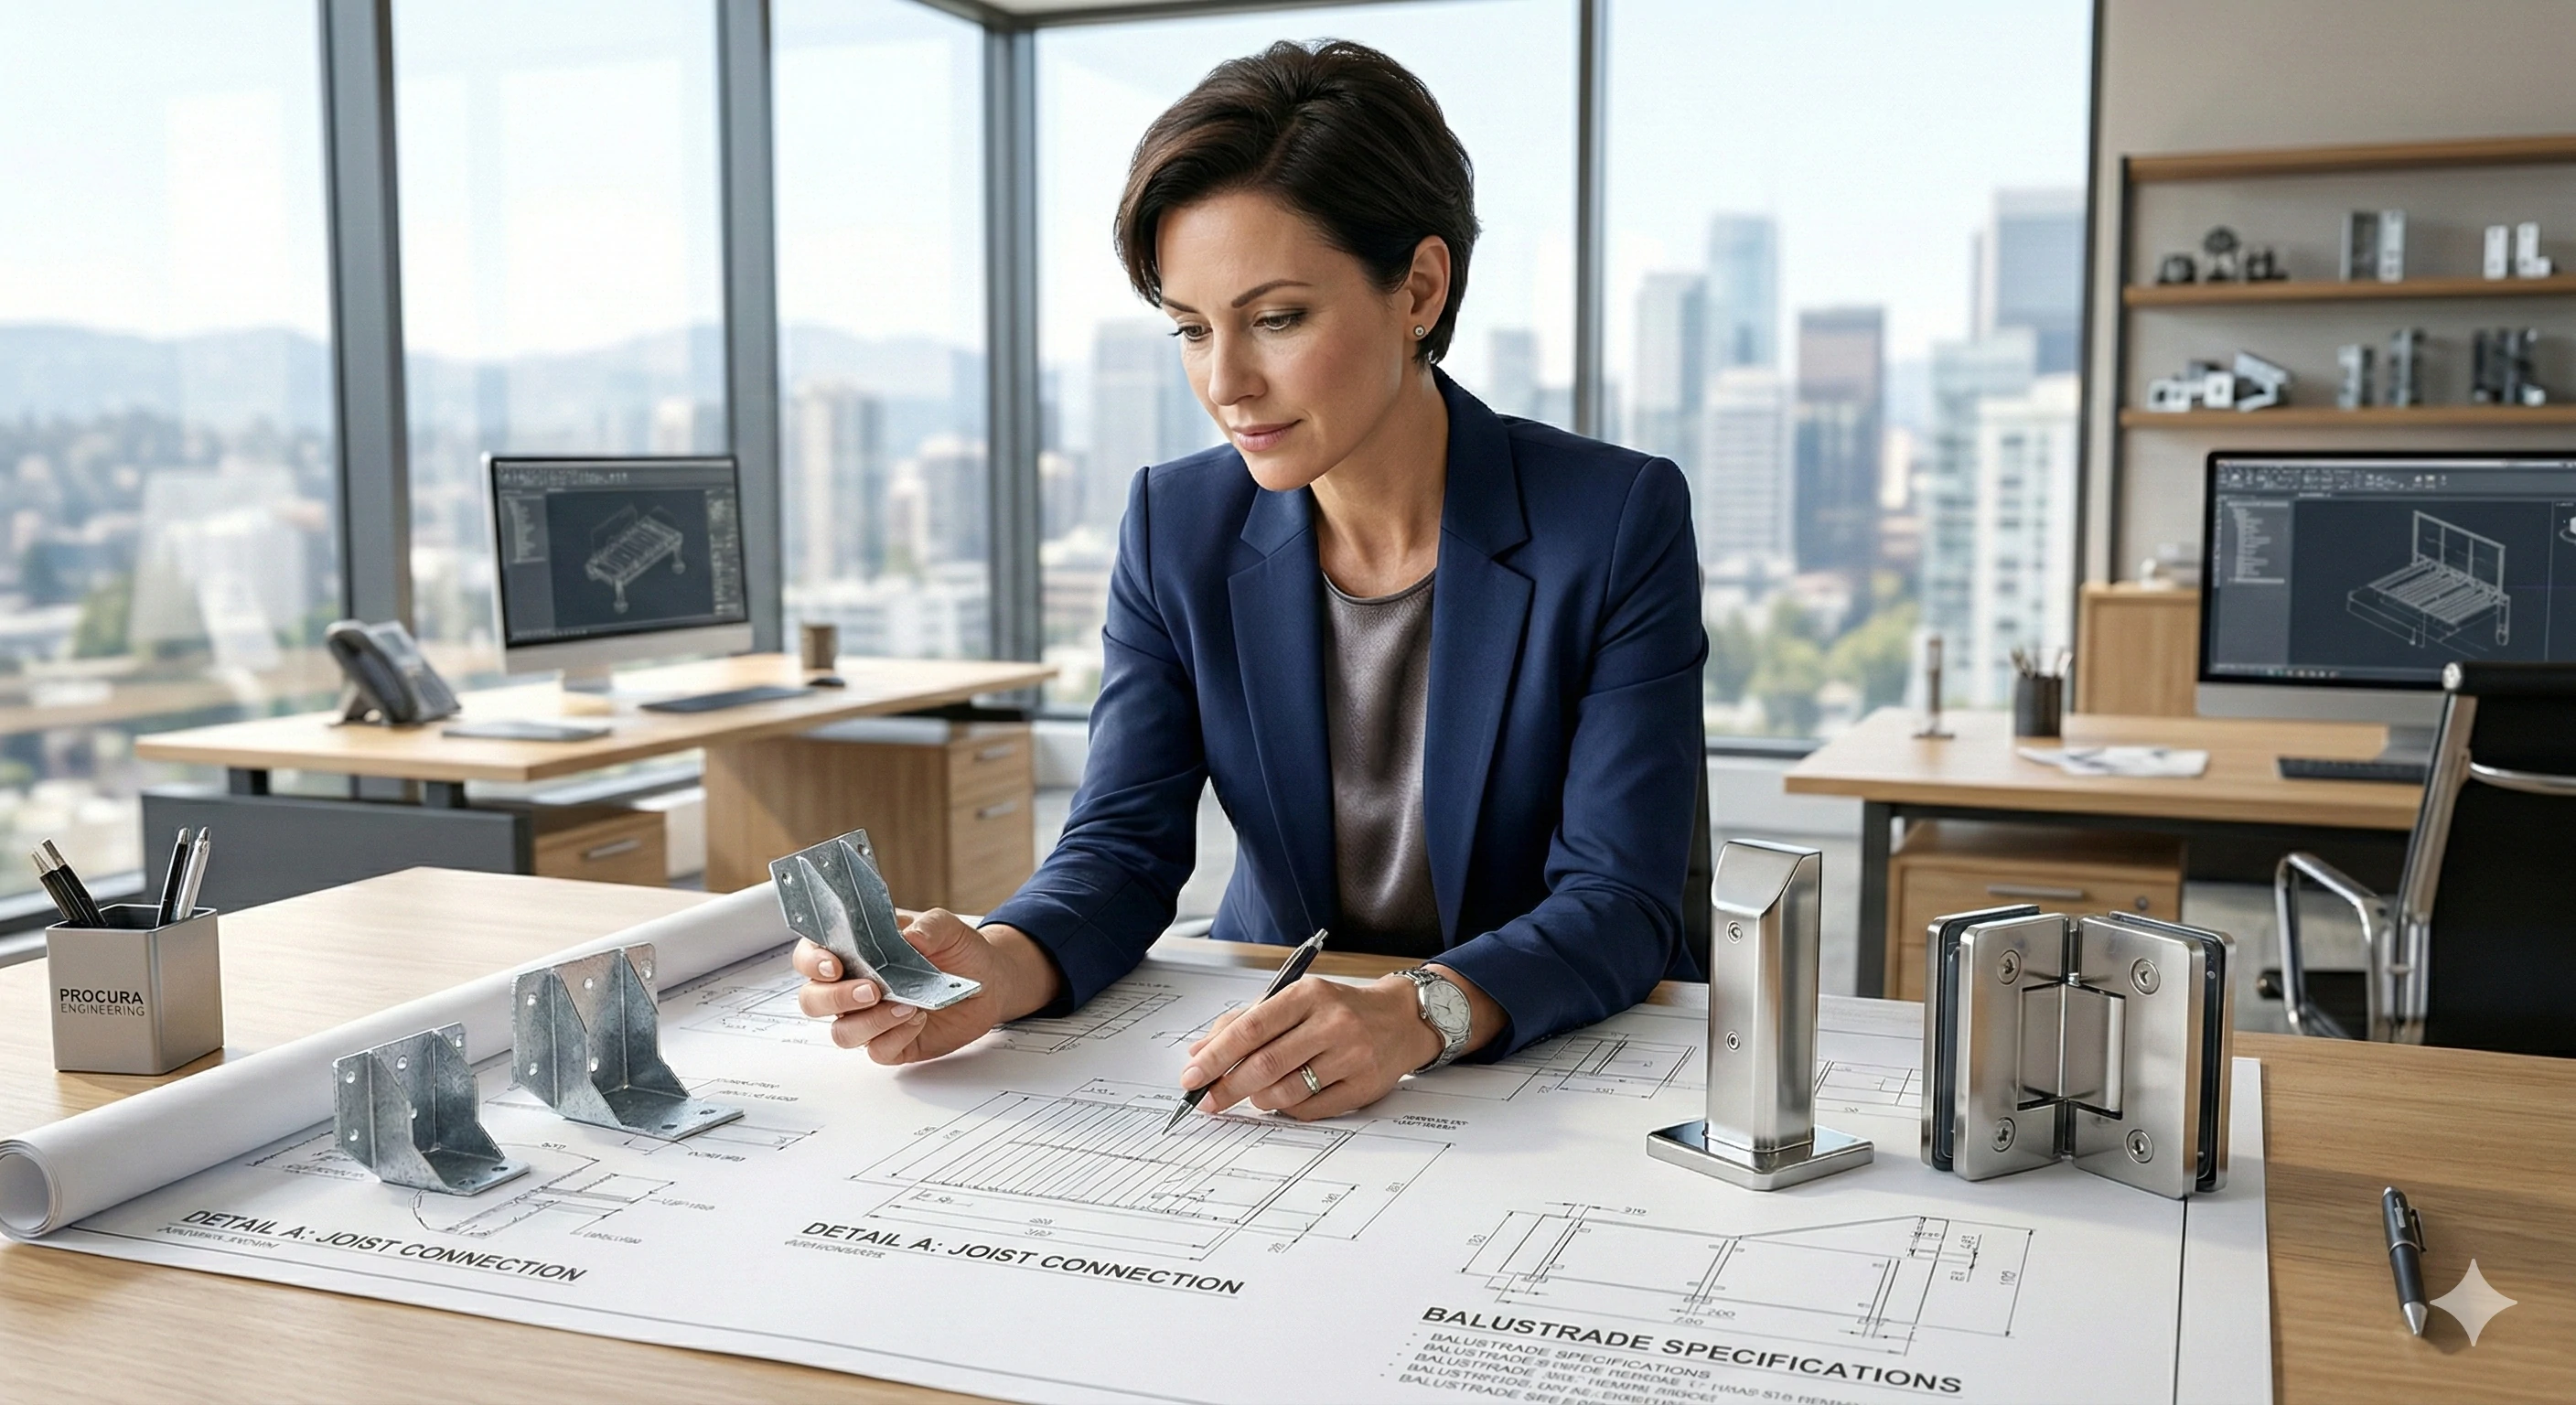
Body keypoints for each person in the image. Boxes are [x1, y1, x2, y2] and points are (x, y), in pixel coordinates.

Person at [793, 38, 1704, 1123]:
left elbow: (1619, 897)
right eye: (1190, 328)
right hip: (1268, 1050)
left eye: (1275, 319)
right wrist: (997, 962)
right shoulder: (1175, 524)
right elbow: (1120, 849)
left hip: (1543, 1055)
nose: (1225, 382)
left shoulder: (1610, 519)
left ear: (1418, 288)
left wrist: (1418, 1011)